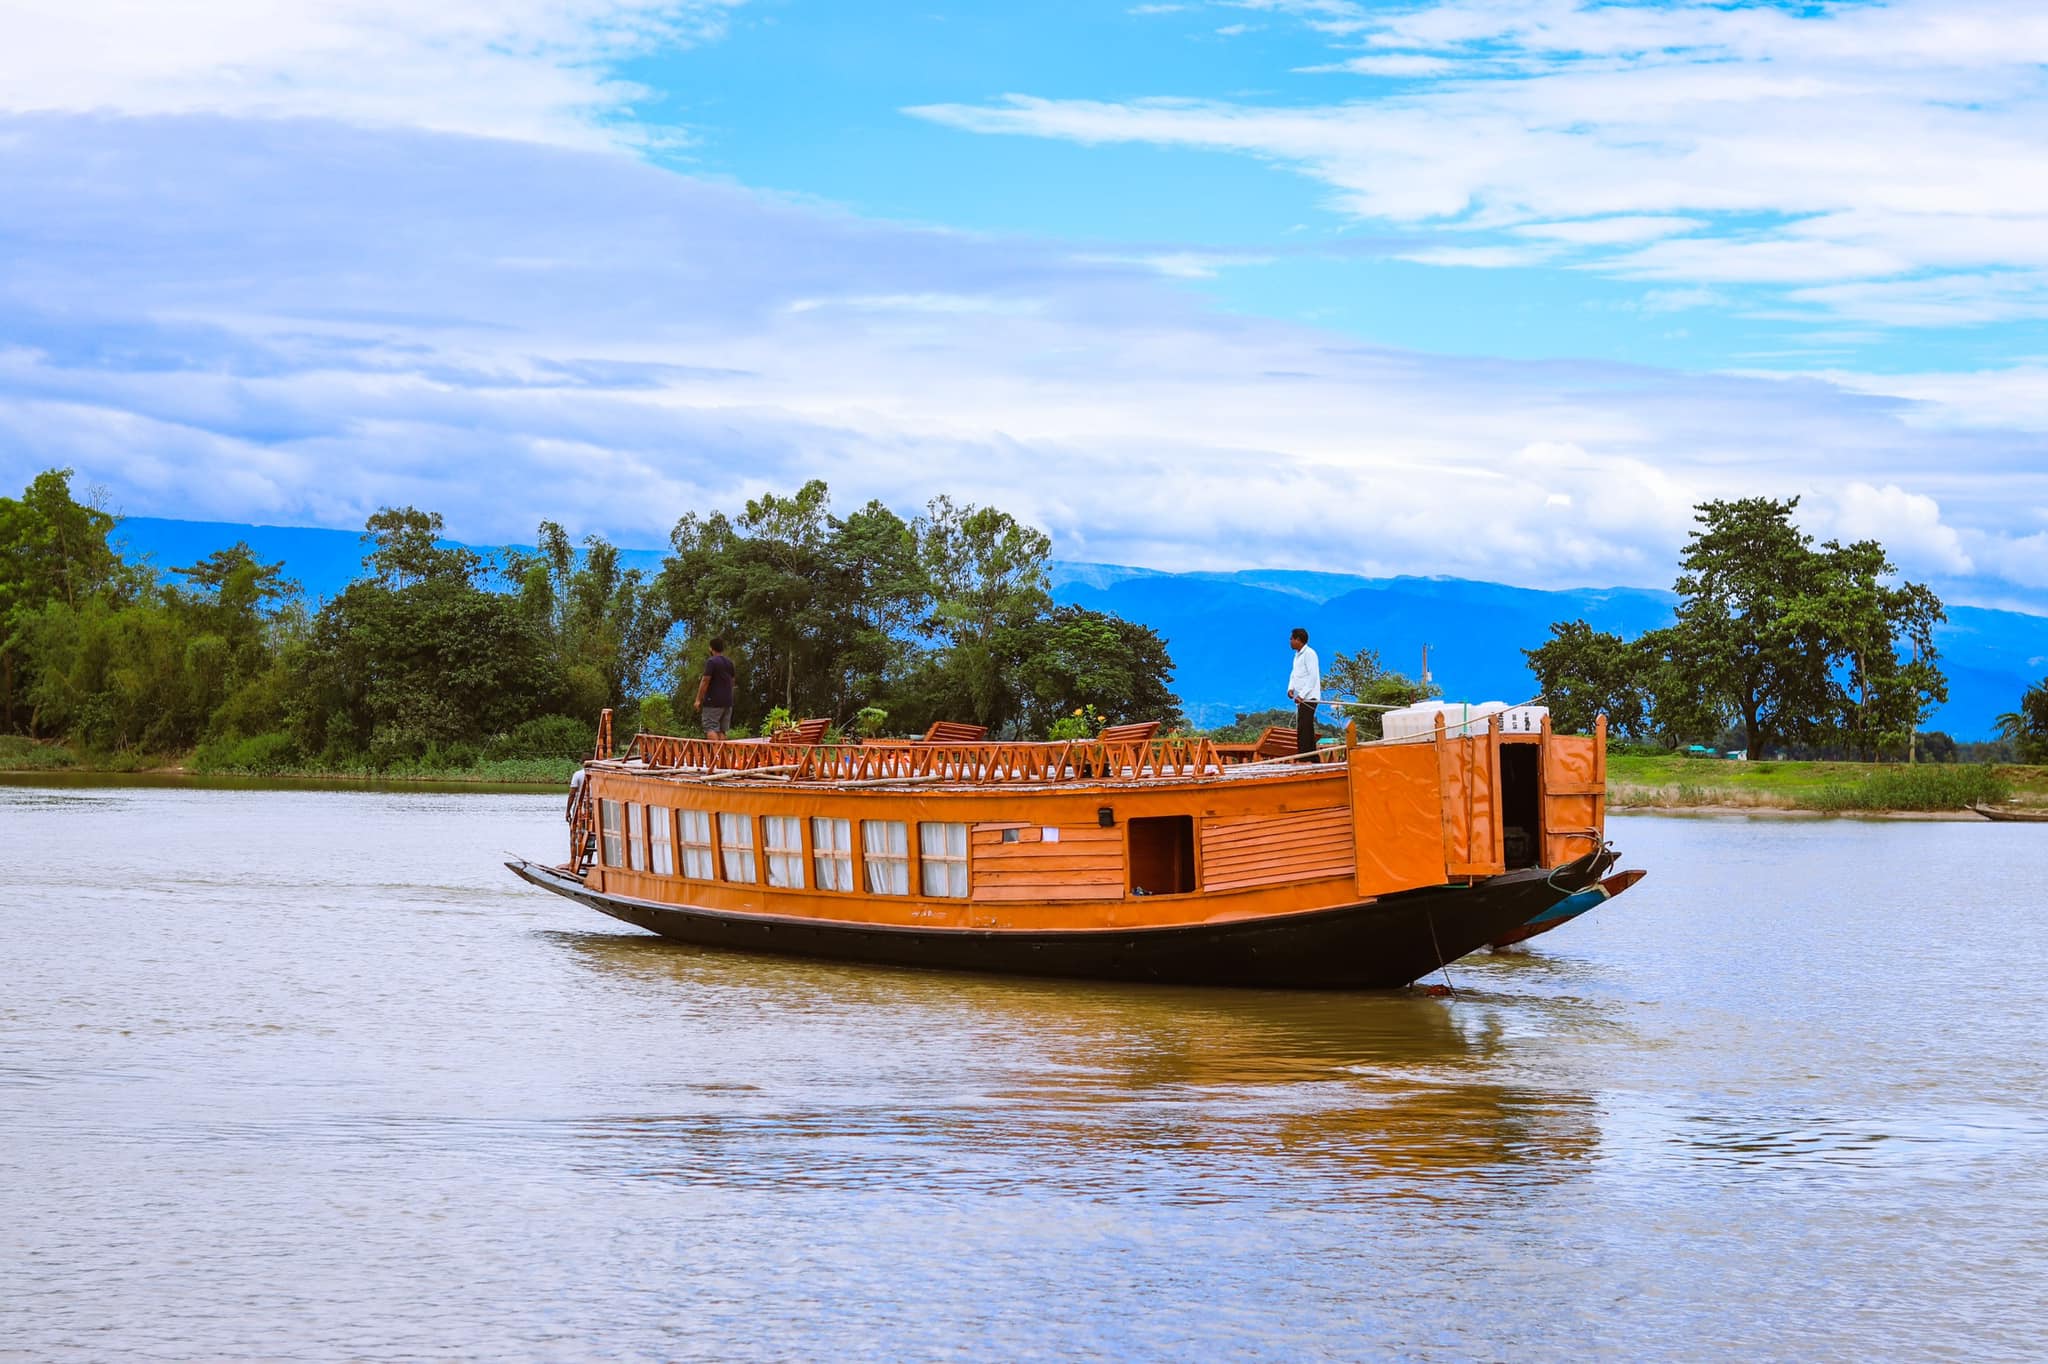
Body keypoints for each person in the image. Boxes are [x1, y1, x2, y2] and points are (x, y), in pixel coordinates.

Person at [1286, 626, 1320, 757]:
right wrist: (1290, 688)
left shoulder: (1309, 654)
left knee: (1303, 727)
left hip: (1309, 697)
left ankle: (1304, 756)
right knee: (1306, 727)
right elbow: (1294, 674)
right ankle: (1312, 757)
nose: (1290, 641)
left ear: (1298, 640)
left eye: (1291, 639)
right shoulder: (1297, 656)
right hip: (1301, 698)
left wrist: (1302, 695)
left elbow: (1313, 676)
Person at [695, 638, 736, 740]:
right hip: (727, 701)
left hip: (713, 702)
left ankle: (715, 756)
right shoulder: (730, 663)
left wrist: (698, 700)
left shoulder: (711, 662)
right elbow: (732, 682)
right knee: (722, 731)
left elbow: (705, 680)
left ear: (711, 648)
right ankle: (722, 755)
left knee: (710, 727)